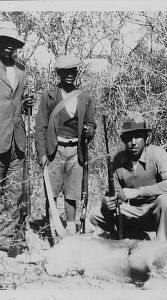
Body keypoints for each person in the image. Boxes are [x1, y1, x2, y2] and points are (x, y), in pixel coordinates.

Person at [89, 111, 167, 241]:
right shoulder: (118, 160)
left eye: (137, 137)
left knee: (166, 201)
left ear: (145, 137)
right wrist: (106, 203)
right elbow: (115, 196)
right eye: (129, 138)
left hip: (155, 211)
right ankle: (137, 237)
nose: (133, 142)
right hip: (132, 212)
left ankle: (161, 247)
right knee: (95, 214)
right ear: (123, 140)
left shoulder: (156, 154)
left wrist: (138, 192)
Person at [35, 54, 96, 235]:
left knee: (72, 193)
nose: (70, 75)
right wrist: (42, 154)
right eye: (65, 72)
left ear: (77, 72)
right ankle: (49, 229)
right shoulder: (48, 96)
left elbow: (91, 123)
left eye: (73, 71)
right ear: (59, 74)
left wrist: (90, 131)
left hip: (76, 151)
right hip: (55, 150)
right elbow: (40, 127)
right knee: (51, 192)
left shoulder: (84, 97)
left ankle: (70, 228)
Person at [0, 21, 35, 247]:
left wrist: (26, 104)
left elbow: (19, 104)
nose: (9, 47)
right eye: (5, 42)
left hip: (17, 139)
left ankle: (5, 239)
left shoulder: (21, 70)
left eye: (13, 43)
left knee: (14, 191)